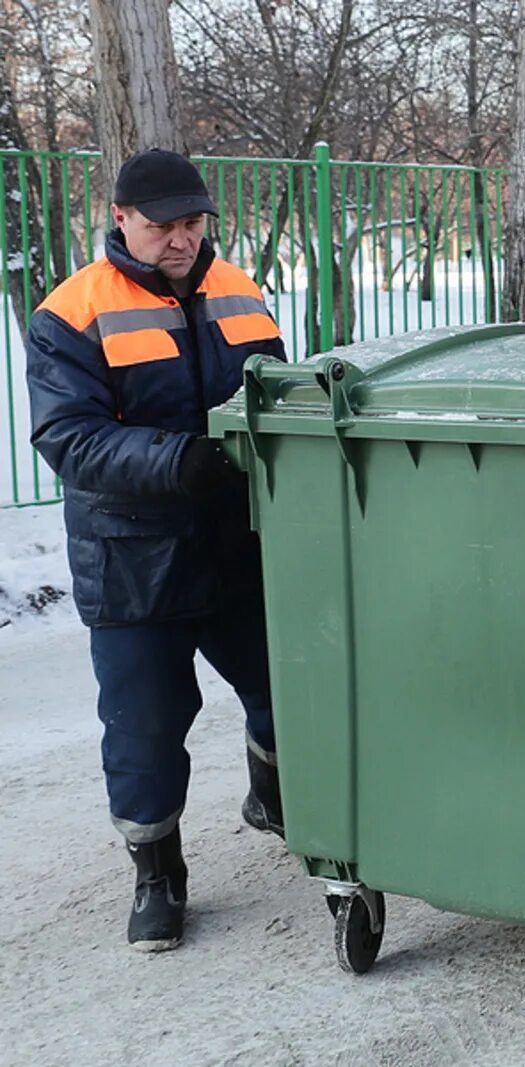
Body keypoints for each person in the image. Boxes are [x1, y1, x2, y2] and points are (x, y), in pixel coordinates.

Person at [26, 148, 287, 952]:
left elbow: (277, 396)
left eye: (192, 223)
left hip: (238, 543)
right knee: (144, 729)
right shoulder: (70, 313)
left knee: (291, 686)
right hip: (133, 557)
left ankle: (274, 794)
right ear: (120, 220)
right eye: (161, 226)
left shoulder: (241, 291)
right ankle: (157, 872)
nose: (180, 240)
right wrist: (180, 461)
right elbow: (67, 438)